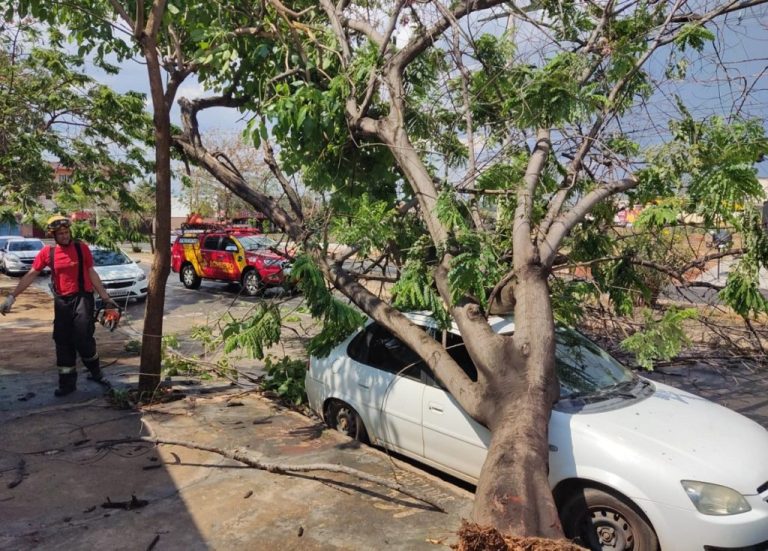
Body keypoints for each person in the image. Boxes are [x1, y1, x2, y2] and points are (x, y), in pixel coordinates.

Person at [0, 215, 119, 396]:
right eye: (60, 233)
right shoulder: (48, 253)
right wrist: (12, 297)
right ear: (53, 235)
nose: (64, 236)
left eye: (66, 232)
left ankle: (96, 373)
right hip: (62, 301)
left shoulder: (81, 249)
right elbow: (31, 274)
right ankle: (67, 384)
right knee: (62, 341)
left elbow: (91, 272)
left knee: (82, 338)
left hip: (83, 299)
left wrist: (106, 298)